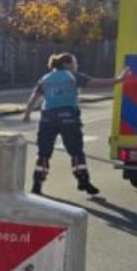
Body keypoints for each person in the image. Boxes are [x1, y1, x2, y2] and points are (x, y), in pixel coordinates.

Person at [22, 52, 126, 196]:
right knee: (76, 151)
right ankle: (83, 180)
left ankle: (37, 184)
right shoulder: (72, 76)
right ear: (66, 64)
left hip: (47, 118)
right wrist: (119, 80)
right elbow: (96, 82)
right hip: (68, 118)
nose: (77, 65)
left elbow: (34, 97)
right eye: (75, 63)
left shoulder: (45, 78)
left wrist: (27, 114)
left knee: (44, 153)